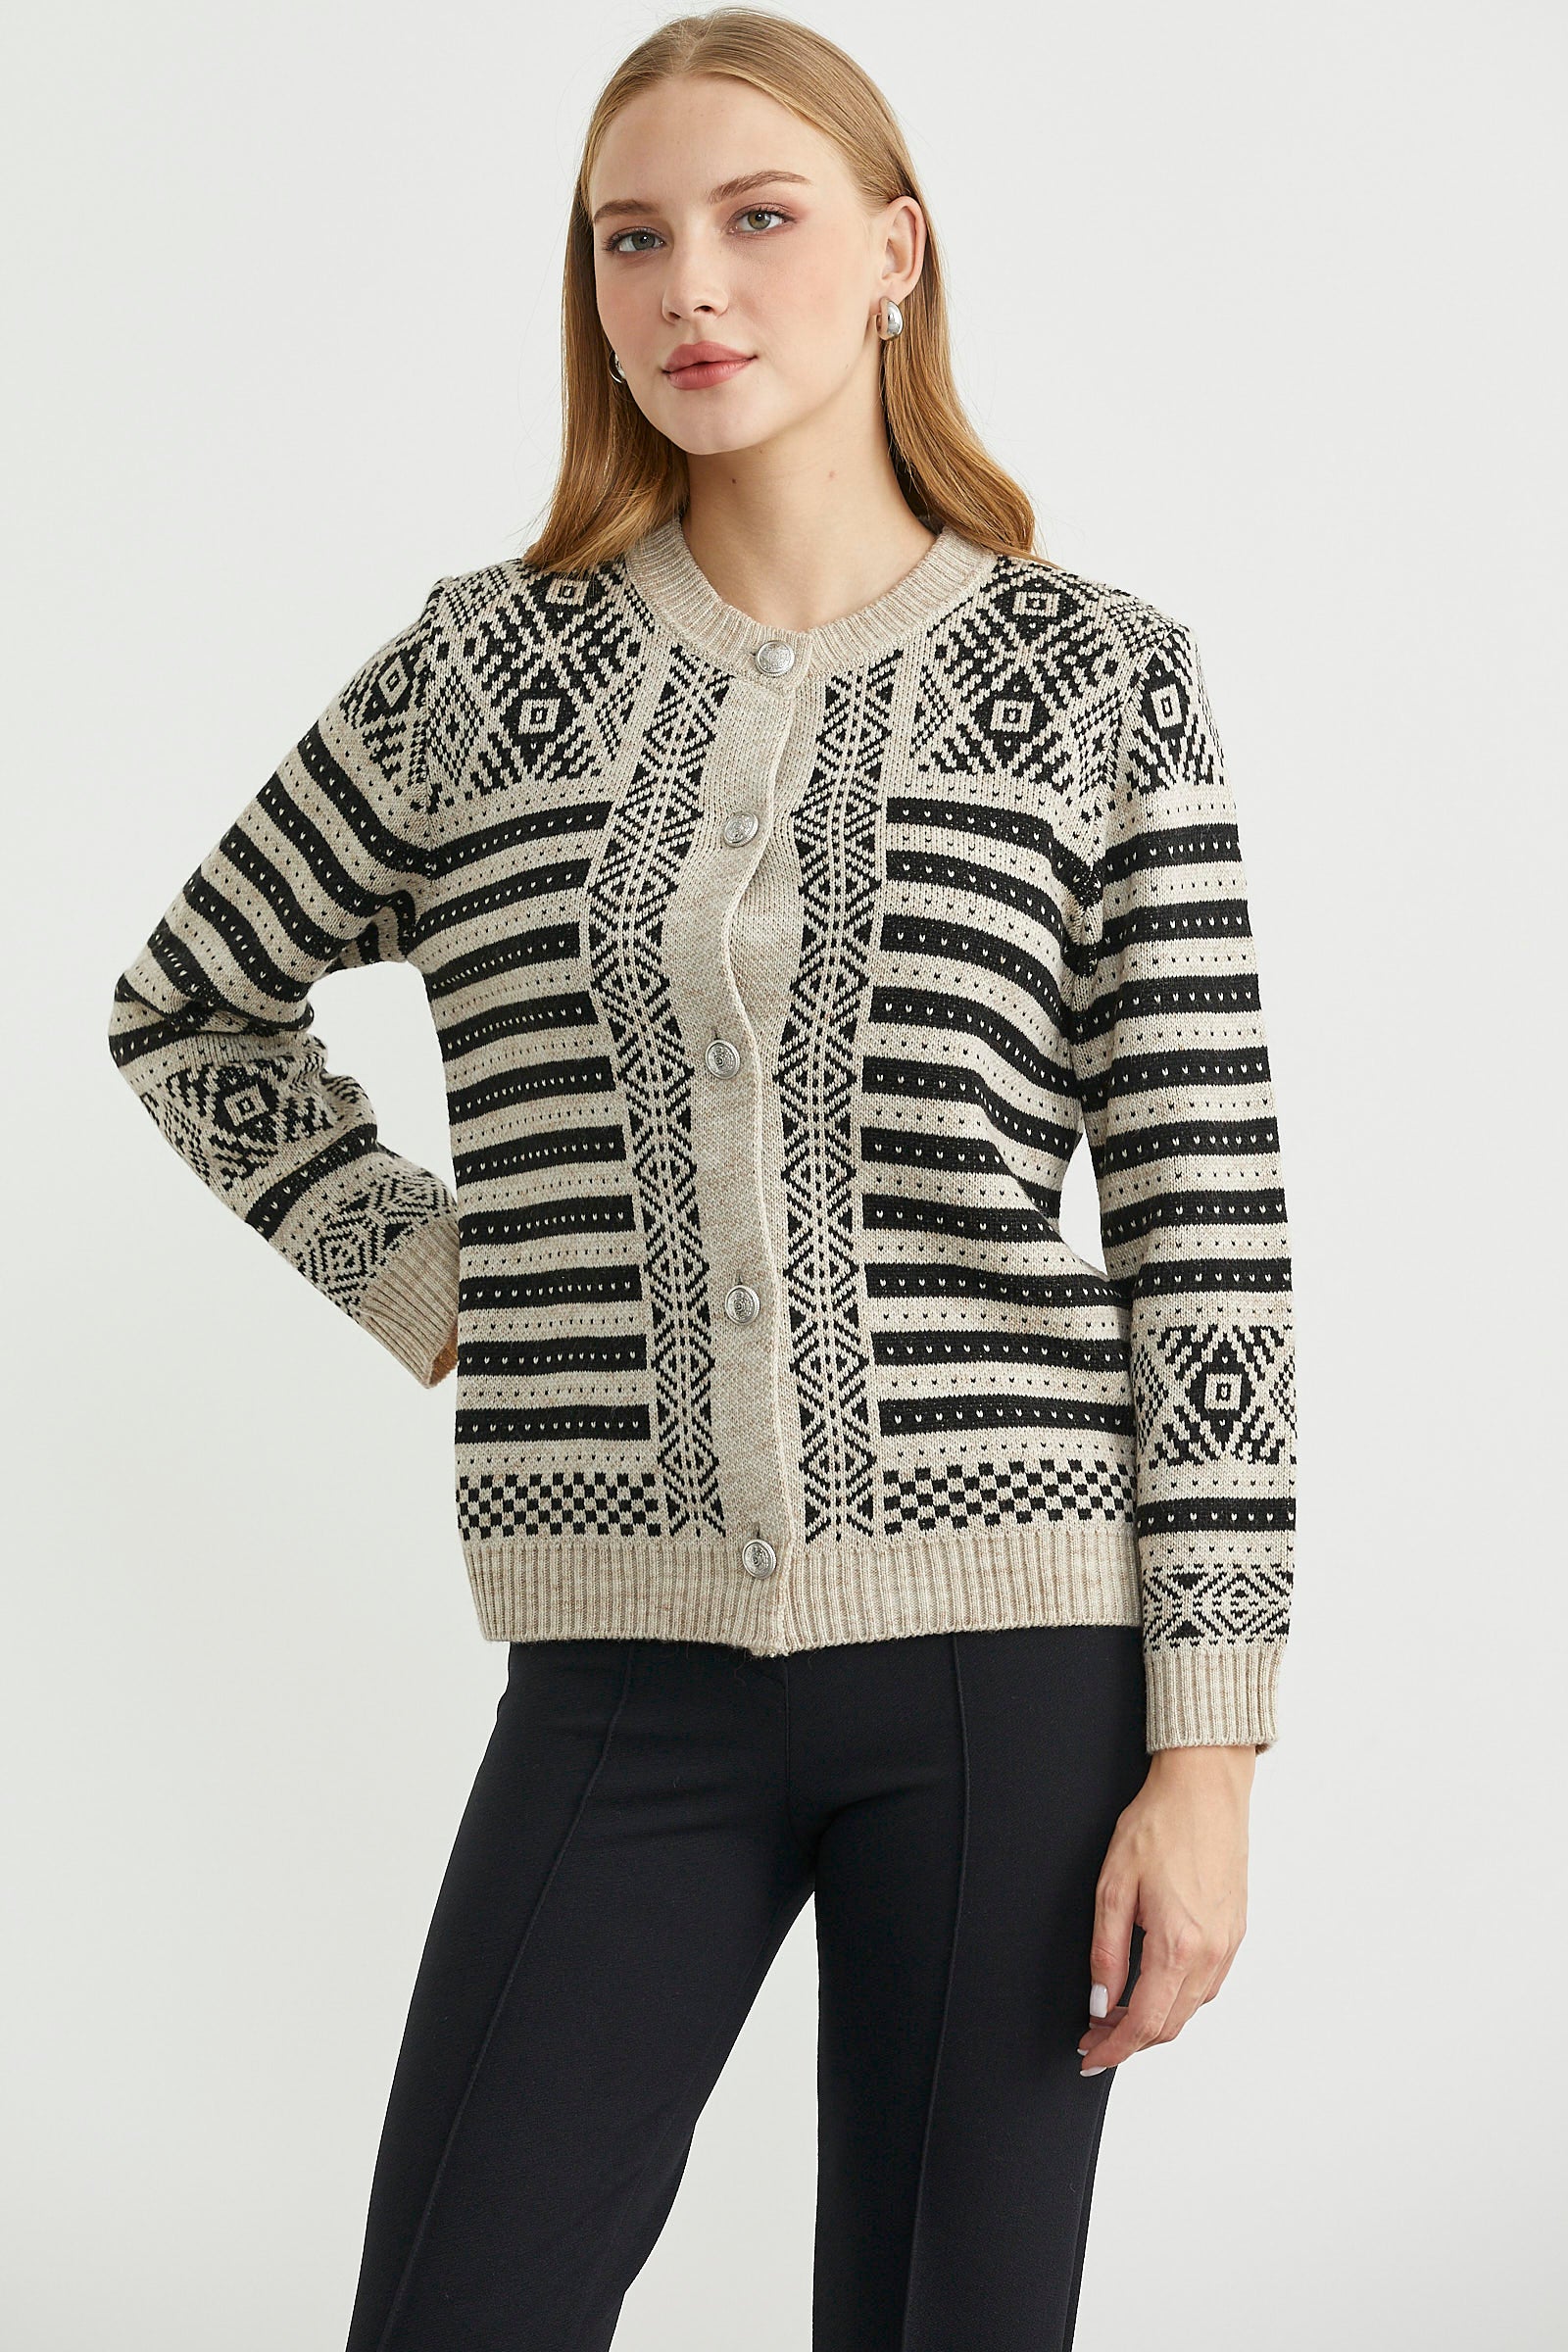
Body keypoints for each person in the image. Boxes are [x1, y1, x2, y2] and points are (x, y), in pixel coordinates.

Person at [107, 12, 1297, 2347]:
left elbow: (1206, 1230)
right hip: (619, 1669)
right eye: (629, 239)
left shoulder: (1098, 679)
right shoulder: (475, 676)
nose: (690, 287)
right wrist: (439, 1283)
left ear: (894, 252)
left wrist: (1209, 1755)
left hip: (1011, 1664)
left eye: (757, 218)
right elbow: (187, 1007)